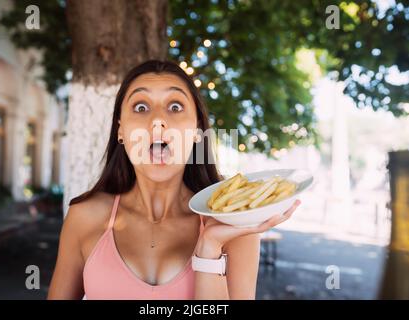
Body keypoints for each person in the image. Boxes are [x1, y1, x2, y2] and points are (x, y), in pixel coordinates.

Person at [47, 60, 300, 300]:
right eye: (141, 107)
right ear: (120, 130)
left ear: (197, 130)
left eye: (175, 106)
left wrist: (210, 248)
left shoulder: (233, 226)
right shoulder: (83, 217)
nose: (158, 119)